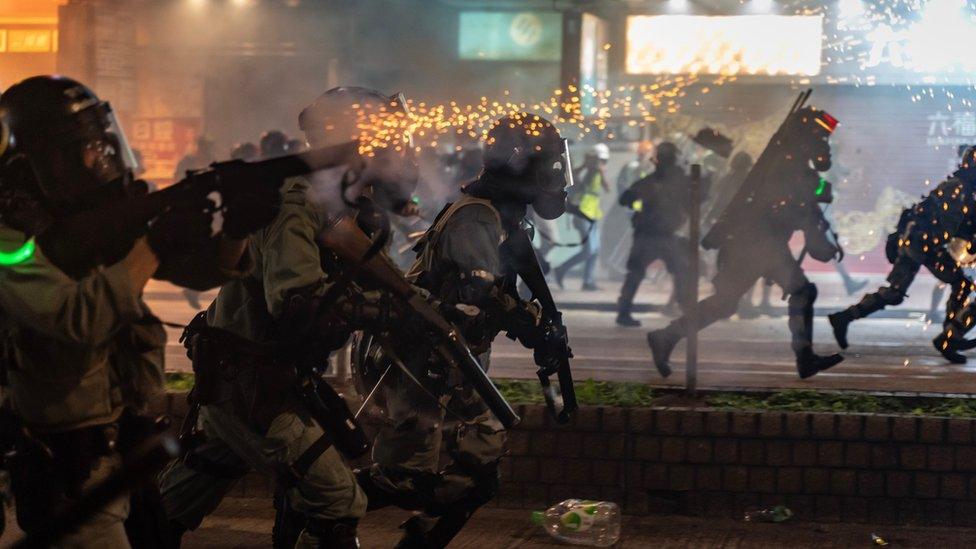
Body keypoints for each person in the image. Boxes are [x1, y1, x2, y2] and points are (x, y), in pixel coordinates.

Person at [0, 75, 270, 548]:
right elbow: (77, 319)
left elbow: (201, 272)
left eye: (100, 143)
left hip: (127, 452)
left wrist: (237, 229)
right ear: (35, 166)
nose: (98, 158)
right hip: (69, 468)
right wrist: (151, 244)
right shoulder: (10, 245)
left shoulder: (84, 225)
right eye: (80, 150)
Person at [158, 86, 419, 549]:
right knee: (337, 503)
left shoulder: (339, 206)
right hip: (250, 381)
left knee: (180, 499)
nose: (396, 152)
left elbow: (380, 281)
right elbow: (296, 302)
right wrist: (382, 311)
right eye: (384, 140)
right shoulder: (297, 202)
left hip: (257, 378)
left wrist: (417, 303)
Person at [354, 113, 573, 548]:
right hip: (420, 366)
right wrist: (533, 326)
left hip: (449, 366)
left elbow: (510, 286)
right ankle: (316, 507)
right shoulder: (477, 218)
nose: (555, 175)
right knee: (404, 480)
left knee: (479, 472)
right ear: (518, 164)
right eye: (546, 164)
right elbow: (483, 295)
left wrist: (547, 324)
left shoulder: (501, 216)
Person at [647, 105, 845, 379]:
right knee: (801, 291)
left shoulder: (791, 161)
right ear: (808, 138)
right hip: (758, 244)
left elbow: (808, 199)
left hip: (756, 243)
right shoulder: (789, 164)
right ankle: (804, 357)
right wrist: (819, 223)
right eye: (821, 139)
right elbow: (800, 203)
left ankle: (666, 337)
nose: (825, 146)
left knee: (726, 302)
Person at [829, 146, 976, 363]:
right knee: (897, 293)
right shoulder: (958, 187)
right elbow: (943, 219)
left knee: (960, 284)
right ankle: (844, 318)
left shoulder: (964, 187)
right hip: (918, 242)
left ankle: (950, 337)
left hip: (926, 243)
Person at [615, 142, 704, 327]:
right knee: (679, 272)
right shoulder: (675, 182)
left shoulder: (651, 181)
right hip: (662, 236)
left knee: (641, 273)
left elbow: (626, 199)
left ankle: (624, 312)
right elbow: (694, 202)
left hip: (650, 235)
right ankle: (686, 312)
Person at [555, 142, 610, 291]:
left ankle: (588, 281)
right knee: (589, 249)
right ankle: (561, 268)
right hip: (582, 213)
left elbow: (608, 187)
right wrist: (586, 166)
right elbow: (572, 182)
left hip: (593, 214)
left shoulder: (598, 172)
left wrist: (601, 170)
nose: (601, 163)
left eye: (603, 161)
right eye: (599, 160)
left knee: (595, 250)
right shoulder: (583, 171)